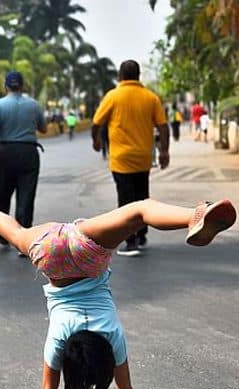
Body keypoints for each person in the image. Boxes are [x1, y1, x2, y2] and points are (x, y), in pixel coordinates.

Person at [0, 185, 236, 389]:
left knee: (139, 211)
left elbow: (121, 387)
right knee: (18, 234)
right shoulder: (62, 339)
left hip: (84, 254)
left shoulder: (111, 335)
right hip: (51, 254)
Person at [91, 60, 169, 257]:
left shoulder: (113, 96)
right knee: (142, 196)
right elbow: (163, 126)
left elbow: (96, 122)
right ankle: (141, 234)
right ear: (139, 75)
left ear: (120, 76)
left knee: (126, 200)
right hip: (143, 157)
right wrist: (164, 151)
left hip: (121, 158)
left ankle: (131, 240)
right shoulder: (150, 97)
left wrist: (96, 141)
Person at [0, 71, 47, 248]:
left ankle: (2, 233)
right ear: (22, 86)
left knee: (2, 194)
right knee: (26, 195)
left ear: (5, 86)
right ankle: (24, 238)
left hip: (4, 153)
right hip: (28, 152)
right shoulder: (33, 104)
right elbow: (44, 128)